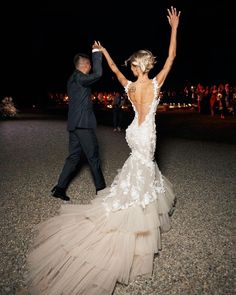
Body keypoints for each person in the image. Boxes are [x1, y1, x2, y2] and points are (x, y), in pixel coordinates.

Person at [26, 6, 180, 295]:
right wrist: (174, 27)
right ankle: (139, 214)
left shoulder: (130, 86)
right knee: (144, 167)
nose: (131, 70)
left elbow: (112, 69)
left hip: (134, 132)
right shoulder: (155, 83)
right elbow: (171, 57)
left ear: (138, 68)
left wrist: (105, 51)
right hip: (146, 133)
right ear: (148, 66)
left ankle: (134, 199)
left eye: (133, 66)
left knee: (139, 166)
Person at [51, 41, 106, 201]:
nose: (90, 68)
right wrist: (96, 52)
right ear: (86, 65)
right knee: (93, 157)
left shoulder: (72, 78)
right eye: (89, 64)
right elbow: (98, 74)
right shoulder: (80, 77)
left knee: (74, 157)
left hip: (74, 124)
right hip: (83, 125)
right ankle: (102, 191)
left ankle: (59, 188)